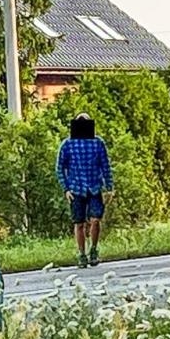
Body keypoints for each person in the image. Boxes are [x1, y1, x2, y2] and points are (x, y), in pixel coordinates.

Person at [57, 112, 114, 267]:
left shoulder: (98, 143)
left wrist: (109, 188)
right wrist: (66, 189)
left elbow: (105, 165)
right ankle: (82, 254)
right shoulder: (67, 144)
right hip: (76, 189)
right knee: (79, 223)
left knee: (96, 220)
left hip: (95, 187)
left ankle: (94, 250)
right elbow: (60, 168)